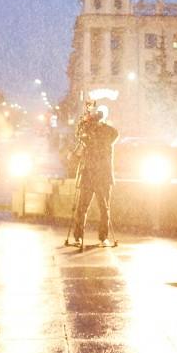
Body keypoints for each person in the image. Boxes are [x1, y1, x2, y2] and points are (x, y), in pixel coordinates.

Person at [70, 104, 119, 247]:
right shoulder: (87, 131)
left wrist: (97, 124)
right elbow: (79, 138)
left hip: (103, 176)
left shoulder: (109, 132)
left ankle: (103, 237)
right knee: (81, 208)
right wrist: (86, 123)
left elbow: (113, 134)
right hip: (88, 174)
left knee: (104, 208)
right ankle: (78, 236)